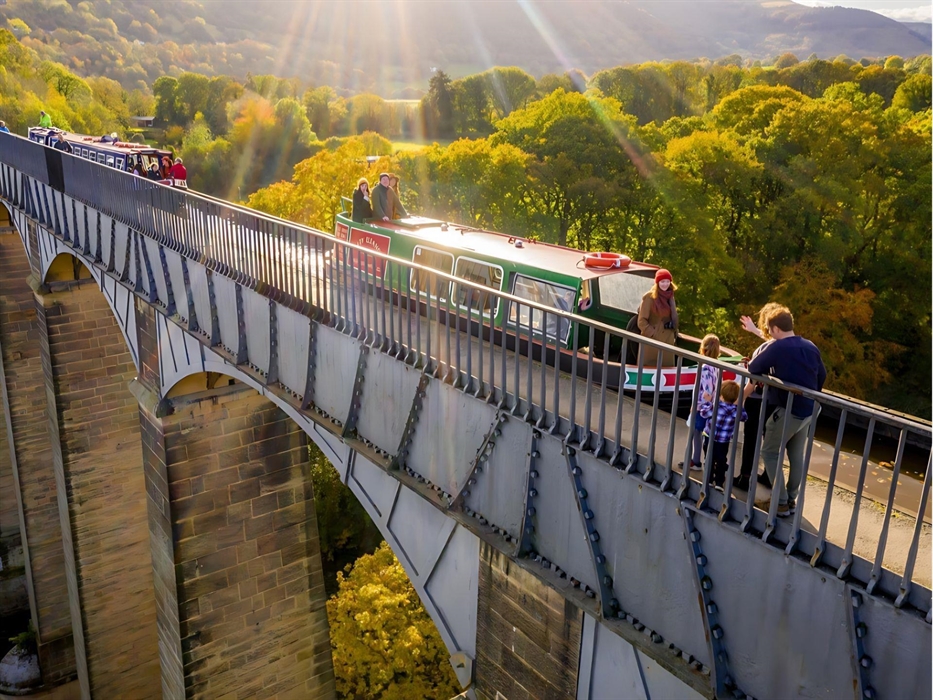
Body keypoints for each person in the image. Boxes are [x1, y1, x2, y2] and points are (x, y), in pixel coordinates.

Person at [749, 305, 826, 517]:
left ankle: (780, 503)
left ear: (774, 329)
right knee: (795, 455)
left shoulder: (778, 347)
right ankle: (791, 500)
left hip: (788, 410)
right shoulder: (811, 346)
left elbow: (754, 367)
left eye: (768, 329)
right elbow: (822, 375)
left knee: (770, 452)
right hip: (810, 409)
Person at [734, 304, 781, 491]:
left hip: (758, 400)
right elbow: (773, 341)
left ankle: (745, 478)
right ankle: (769, 477)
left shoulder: (764, 350)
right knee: (770, 441)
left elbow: (753, 381)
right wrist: (754, 330)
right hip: (775, 400)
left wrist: (739, 400)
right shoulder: (786, 347)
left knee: (751, 439)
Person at [681, 334, 721, 472]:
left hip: (702, 408)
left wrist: (697, 406)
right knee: (703, 434)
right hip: (711, 408)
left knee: (695, 433)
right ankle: (700, 461)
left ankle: (695, 461)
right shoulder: (716, 366)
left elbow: (707, 392)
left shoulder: (705, 368)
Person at [703, 380, 747, 490]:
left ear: (721, 394)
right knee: (722, 459)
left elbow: (703, 413)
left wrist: (708, 402)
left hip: (710, 437)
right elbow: (744, 417)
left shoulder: (715, 407)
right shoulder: (736, 411)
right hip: (724, 441)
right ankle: (719, 482)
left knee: (709, 458)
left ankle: (708, 479)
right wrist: (741, 405)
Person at [636, 268, 678, 366]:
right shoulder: (649, 297)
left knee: (666, 371)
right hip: (651, 342)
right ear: (657, 282)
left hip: (667, 341)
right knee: (649, 370)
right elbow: (641, 321)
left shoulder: (670, 296)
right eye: (662, 281)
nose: (665, 284)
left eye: (667, 281)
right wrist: (654, 333)